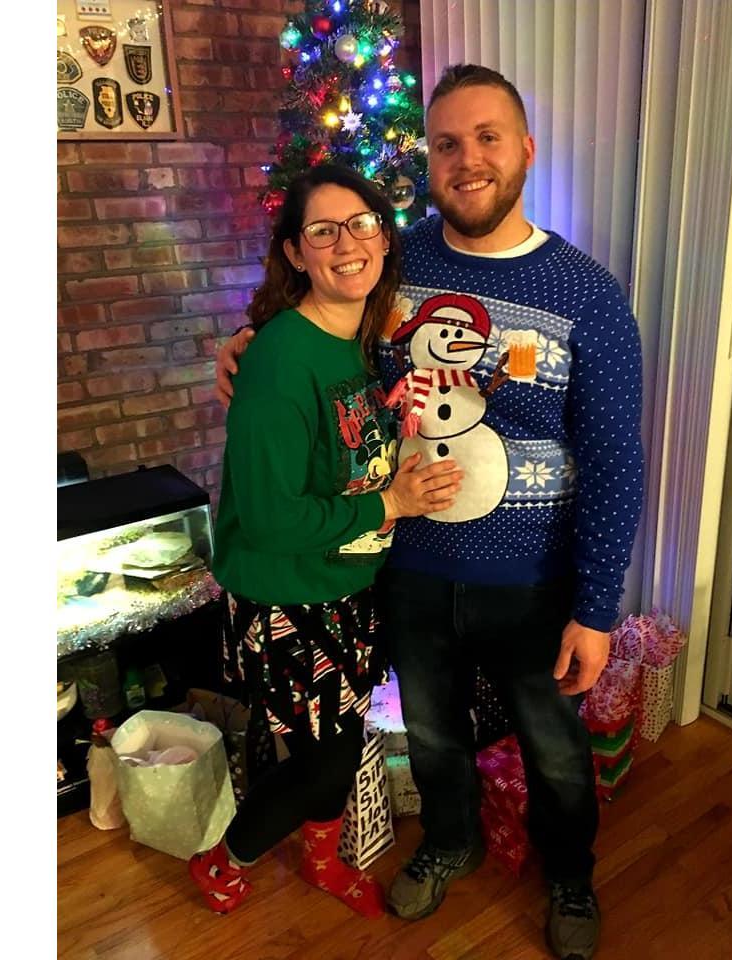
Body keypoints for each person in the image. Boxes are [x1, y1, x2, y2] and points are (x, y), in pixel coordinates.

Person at [216, 66, 644, 960]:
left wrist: (598, 607)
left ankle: (570, 874)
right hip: (408, 569)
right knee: (434, 735)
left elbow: (615, 461)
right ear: (430, 159)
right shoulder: (393, 264)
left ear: (526, 150)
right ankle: (451, 841)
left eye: (488, 137)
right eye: (447, 142)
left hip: (533, 580)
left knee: (554, 749)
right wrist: (249, 342)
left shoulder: (588, 295)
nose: (467, 159)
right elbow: (316, 323)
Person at [190, 164, 463, 917]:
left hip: (344, 589)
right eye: (323, 230)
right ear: (295, 252)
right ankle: (222, 861)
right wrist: (391, 503)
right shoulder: (281, 362)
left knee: (335, 753)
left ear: (384, 236)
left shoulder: (366, 339)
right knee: (322, 764)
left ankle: (318, 858)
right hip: (286, 598)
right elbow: (271, 520)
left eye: (362, 223)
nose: (348, 243)